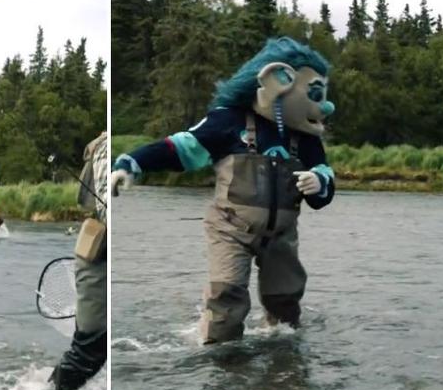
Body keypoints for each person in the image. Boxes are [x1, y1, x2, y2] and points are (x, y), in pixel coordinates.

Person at [111, 37, 336, 343]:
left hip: (282, 234)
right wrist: (131, 163)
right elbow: (182, 147)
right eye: (315, 94)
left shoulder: (306, 139)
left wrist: (319, 182)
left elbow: (322, 188)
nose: (326, 105)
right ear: (277, 81)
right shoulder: (227, 121)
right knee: (227, 300)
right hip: (230, 229)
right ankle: (217, 358)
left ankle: (283, 360)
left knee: (285, 305)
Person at [49, 131, 108, 390]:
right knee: (88, 351)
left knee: (88, 350)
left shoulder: (100, 146)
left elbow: (83, 200)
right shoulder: (102, 147)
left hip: (95, 253)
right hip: (97, 257)